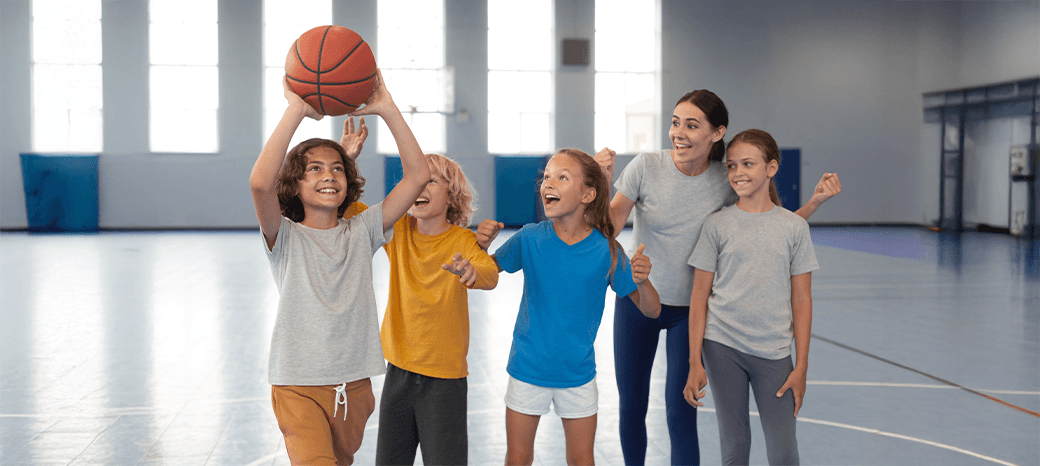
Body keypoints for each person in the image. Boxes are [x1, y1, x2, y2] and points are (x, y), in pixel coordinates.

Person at [595, 90, 841, 466]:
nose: (678, 132)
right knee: (631, 406)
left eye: (692, 125)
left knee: (680, 413)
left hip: (688, 311)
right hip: (639, 300)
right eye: (675, 122)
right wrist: (600, 186)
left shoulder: (725, 177)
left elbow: (771, 225)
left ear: (716, 133)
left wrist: (814, 203)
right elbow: (608, 226)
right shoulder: (645, 166)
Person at [248, 71, 429, 465]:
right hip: (297, 383)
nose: (328, 175)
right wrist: (296, 110)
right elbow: (261, 184)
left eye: (337, 169)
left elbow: (418, 177)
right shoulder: (286, 236)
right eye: (313, 169)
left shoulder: (363, 229)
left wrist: (387, 108)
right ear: (294, 184)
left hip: (354, 387)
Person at [477, 149, 662, 466]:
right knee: (518, 458)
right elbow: (486, 272)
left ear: (588, 194)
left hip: (578, 375)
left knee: (581, 459)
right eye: (546, 176)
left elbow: (652, 310)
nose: (548, 183)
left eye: (562, 177)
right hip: (527, 369)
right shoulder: (530, 238)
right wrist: (479, 248)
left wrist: (643, 282)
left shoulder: (609, 250)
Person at [684, 129, 817, 465]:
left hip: (773, 351)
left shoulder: (793, 228)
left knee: (784, 451)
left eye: (747, 164)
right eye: (731, 166)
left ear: (771, 168)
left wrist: (800, 365)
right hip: (721, 345)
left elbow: (801, 300)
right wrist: (694, 361)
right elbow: (699, 296)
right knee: (734, 444)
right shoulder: (716, 226)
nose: (737, 173)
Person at [372, 151, 499, 466]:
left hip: (444, 379)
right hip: (398, 372)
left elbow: (489, 273)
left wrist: (471, 272)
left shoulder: (464, 241)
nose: (420, 188)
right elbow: (353, 212)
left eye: (430, 181)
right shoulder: (397, 231)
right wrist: (346, 156)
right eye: (414, 181)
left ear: (451, 195)